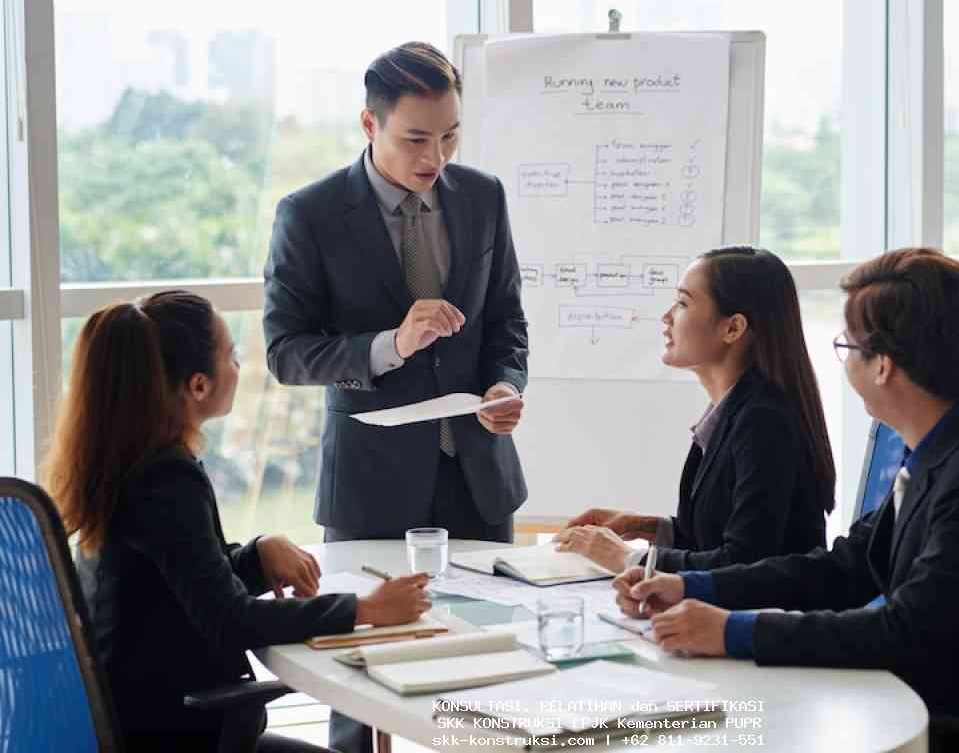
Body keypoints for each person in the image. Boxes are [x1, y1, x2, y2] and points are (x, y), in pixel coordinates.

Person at [614, 248, 959, 751]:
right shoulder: (946, 448)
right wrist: (690, 585)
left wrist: (734, 631)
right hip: (933, 702)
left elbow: (904, 633)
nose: (842, 362)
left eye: (846, 346)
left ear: (883, 366)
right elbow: (846, 568)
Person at [262, 41, 527, 753]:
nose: (434, 156)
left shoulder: (484, 197)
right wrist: (389, 345)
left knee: (491, 672)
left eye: (450, 135)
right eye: (416, 137)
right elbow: (285, 351)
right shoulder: (309, 214)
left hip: (478, 473)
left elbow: (507, 321)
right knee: (361, 683)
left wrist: (507, 384)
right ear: (368, 124)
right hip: (371, 486)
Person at [44, 291, 431, 753]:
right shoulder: (166, 479)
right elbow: (230, 620)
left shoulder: (128, 464)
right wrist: (366, 610)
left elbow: (184, 581)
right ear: (199, 385)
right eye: (230, 355)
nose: (239, 368)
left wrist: (256, 555)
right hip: (175, 734)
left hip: (135, 722)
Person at [555, 246, 835, 574]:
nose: (667, 316)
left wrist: (628, 559)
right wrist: (644, 527)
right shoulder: (734, 410)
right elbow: (714, 535)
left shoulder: (764, 421)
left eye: (683, 303)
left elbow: (743, 564)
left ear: (733, 329)